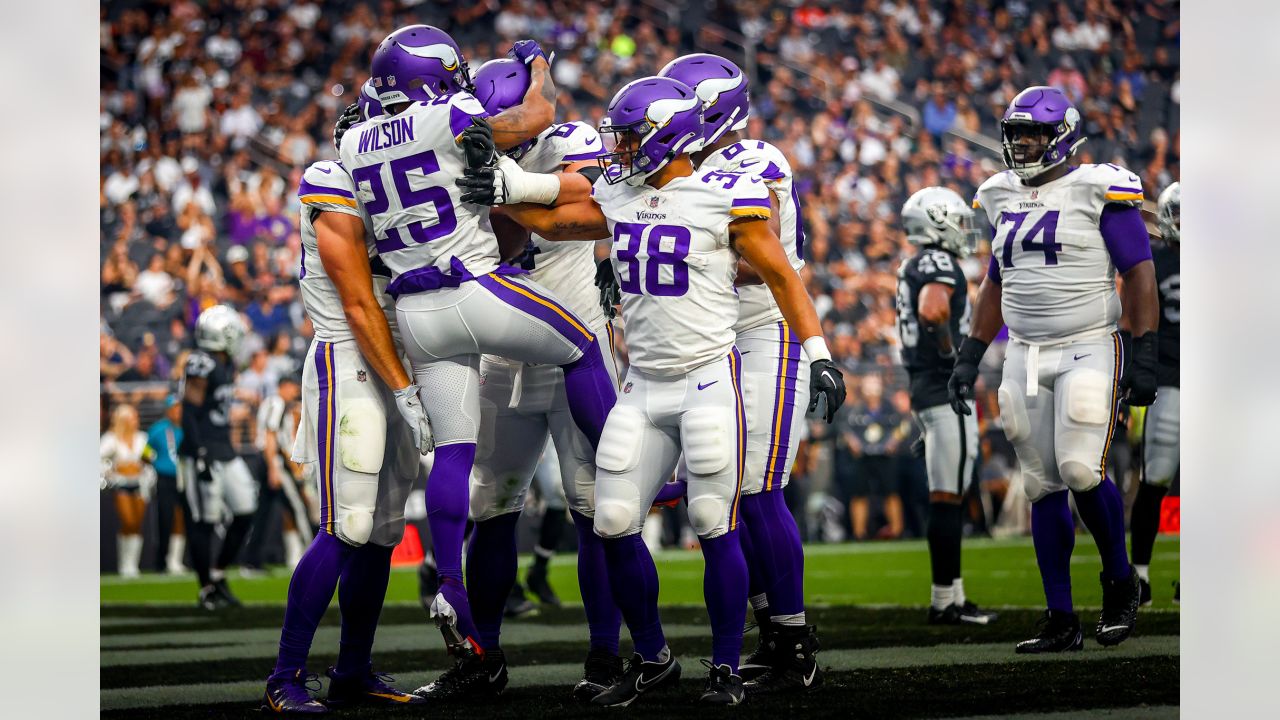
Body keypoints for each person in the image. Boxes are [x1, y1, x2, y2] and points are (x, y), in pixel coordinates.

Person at [460, 75, 847, 706]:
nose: (619, 146)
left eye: (632, 135)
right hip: (642, 384)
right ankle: (655, 657)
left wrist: (820, 354)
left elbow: (781, 271)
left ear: (672, 133)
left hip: (708, 377)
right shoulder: (621, 189)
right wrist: (502, 189)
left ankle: (731, 665)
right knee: (613, 518)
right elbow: (561, 218)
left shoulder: (730, 193)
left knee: (716, 517)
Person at [336, 26, 617, 699]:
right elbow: (538, 133)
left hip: (415, 313)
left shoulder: (353, 142)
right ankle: (630, 454)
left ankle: (450, 588)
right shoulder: (460, 123)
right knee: (578, 350)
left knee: (459, 459)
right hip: (476, 294)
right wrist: (536, 59)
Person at [950, 86, 1157, 653]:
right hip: (1023, 350)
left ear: (1062, 134)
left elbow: (1139, 271)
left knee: (1079, 469)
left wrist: (1144, 350)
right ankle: (1060, 618)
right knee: (1041, 484)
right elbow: (997, 280)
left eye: (1033, 133)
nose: (1022, 144)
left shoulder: (1097, 187)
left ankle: (1121, 582)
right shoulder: (997, 194)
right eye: (1015, 134)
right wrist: (971, 353)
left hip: (1089, 342)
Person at [457, 56, 625, 702]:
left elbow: (587, 203)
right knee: (490, 507)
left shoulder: (570, 142)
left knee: (593, 508)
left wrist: (505, 186)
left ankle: (606, 655)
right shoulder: (462, 160)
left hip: (574, 346)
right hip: (504, 355)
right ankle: (486, 656)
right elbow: (492, 250)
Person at [658, 53, 822, 694]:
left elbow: (765, 259)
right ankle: (772, 632)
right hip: (712, 338)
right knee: (723, 490)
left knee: (756, 485)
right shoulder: (679, 167)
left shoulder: (753, 160)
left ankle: (794, 639)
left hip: (766, 330)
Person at [262, 89, 430, 714]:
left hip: (395, 365)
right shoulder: (330, 180)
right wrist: (407, 389)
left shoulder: (409, 190)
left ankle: (353, 670)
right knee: (349, 523)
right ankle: (284, 676)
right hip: (351, 362)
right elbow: (360, 306)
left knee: (384, 530)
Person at [894, 185, 998, 625]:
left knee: (949, 491)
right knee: (948, 495)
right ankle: (944, 602)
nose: (963, 231)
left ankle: (952, 596)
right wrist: (948, 352)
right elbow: (933, 310)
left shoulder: (914, 262)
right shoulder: (938, 263)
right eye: (955, 221)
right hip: (941, 388)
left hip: (925, 388)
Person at [179, 304, 259, 610]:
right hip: (203, 451)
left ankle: (218, 572)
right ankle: (206, 588)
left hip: (224, 448)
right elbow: (188, 410)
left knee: (245, 510)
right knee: (205, 521)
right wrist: (199, 453)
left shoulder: (225, 362)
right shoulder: (201, 362)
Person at [1129, 181, 1180, 606]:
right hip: (1168, 379)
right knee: (1155, 479)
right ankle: (1139, 575)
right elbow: (1135, 321)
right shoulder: (1154, 263)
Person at [245, 376, 311, 572]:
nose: (295, 391)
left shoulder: (278, 404)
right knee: (296, 507)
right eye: (292, 387)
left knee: (264, 512)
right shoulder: (276, 402)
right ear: (283, 386)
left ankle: (252, 560)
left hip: (270, 459)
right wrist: (274, 467)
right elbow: (270, 436)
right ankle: (310, 554)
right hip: (271, 460)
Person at [100, 403, 155, 578]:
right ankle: (124, 563)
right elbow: (99, 459)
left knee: (137, 523)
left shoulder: (142, 438)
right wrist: (113, 470)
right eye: (133, 418)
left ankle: (133, 564)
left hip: (139, 484)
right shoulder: (111, 439)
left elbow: (150, 458)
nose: (136, 421)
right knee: (128, 521)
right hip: (121, 484)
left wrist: (142, 466)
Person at [145, 395, 188, 575]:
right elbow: (146, 451)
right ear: (168, 410)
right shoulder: (158, 429)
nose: (178, 412)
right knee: (165, 519)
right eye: (175, 408)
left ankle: (176, 560)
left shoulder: (188, 428)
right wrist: (154, 463)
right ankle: (161, 561)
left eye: (180, 408)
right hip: (165, 478)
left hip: (185, 478)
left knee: (183, 519)